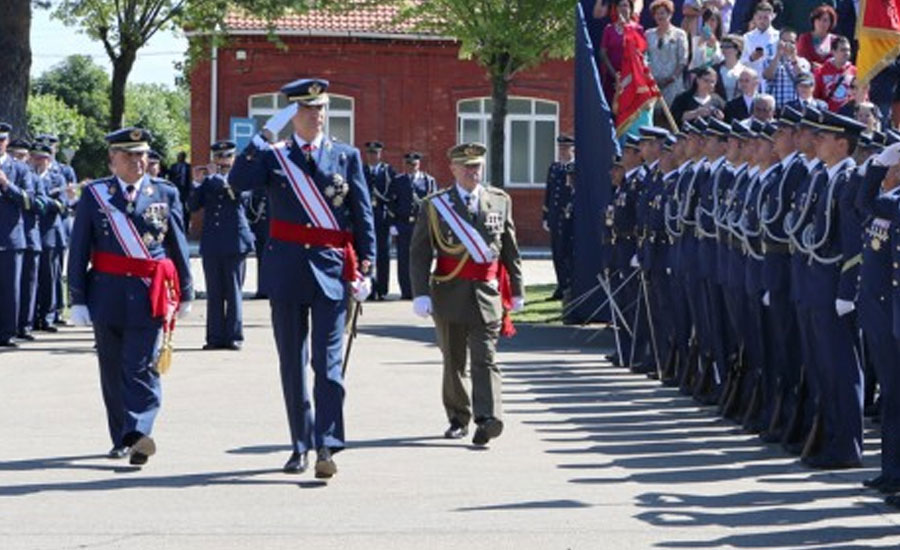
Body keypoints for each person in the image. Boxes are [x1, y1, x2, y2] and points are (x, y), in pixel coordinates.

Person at [229, 78, 375, 477]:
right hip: (287, 271)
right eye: (308, 109)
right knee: (292, 365)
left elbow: (361, 215)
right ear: (293, 114)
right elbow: (237, 182)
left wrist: (367, 264)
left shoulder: (346, 157)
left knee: (328, 366)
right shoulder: (274, 156)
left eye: (321, 108)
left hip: (330, 270)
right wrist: (262, 135)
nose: (317, 115)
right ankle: (299, 445)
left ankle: (327, 444)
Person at [67, 127, 193, 465]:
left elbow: (177, 244)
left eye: (142, 154)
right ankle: (121, 437)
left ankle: (139, 432)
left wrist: (185, 291)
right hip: (106, 292)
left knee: (141, 366)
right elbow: (79, 247)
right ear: (113, 160)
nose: (138, 161)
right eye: (129, 155)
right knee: (111, 368)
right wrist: (77, 297)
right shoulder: (96, 195)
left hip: (149, 293)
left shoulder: (163, 193)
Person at [409, 142, 524, 446]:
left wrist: (518, 289)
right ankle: (459, 417)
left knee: (485, 358)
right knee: (454, 361)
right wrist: (420, 293)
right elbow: (419, 253)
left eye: (477, 166)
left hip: (487, 294)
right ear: (454, 169)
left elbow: (511, 250)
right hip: (448, 291)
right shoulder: (434, 205)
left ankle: (488, 418)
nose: (474, 172)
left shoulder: (499, 201)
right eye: (467, 166)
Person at [189, 140, 254, 351]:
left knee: (233, 291)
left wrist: (216, 177)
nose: (222, 161)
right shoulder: (209, 181)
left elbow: (237, 197)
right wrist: (198, 183)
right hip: (213, 242)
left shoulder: (241, 176)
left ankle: (234, 336)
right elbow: (192, 205)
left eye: (226, 157)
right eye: (218, 157)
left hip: (235, 241)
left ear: (233, 158)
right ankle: (215, 336)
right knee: (214, 292)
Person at [0, 123, 31, 348]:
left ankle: (7, 332)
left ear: (6, 142)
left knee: (10, 288)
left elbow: (29, 200)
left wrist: (6, 185)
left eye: (1, 140)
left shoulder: (19, 169)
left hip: (10, 237)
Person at [390, 152, 436, 300]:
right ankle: (406, 291)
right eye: (409, 164)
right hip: (403, 225)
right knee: (403, 260)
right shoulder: (398, 181)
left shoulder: (428, 181)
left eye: (414, 164)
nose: (412, 167)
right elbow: (391, 203)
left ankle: (421, 290)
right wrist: (393, 224)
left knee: (422, 258)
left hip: (421, 225)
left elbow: (434, 205)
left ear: (419, 164)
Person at [34, 142, 68, 334]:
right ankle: (32, 315)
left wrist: (40, 199)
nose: (39, 161)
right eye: (36, 157)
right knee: (32, 278)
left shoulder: (57, 179)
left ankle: (47, 316)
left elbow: (61, 206)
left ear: (49, 160)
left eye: (42, 158)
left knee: (49, 276)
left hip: (50, 233)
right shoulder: (28, 177)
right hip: (32, 233)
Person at [10, 140, 41, 342]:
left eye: (22, 155)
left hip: (20, 234)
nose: (19, 159)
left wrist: (7, 185)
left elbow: (34, 201)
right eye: (15, 154)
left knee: (19, 286)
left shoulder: (25, 174)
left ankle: (18, 327)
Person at [543, 136, 577, 301]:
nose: (562, 151)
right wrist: (546, 215)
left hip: (569, 217)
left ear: (573, 149)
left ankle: (569, 285)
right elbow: (549, 192)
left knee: (567, 252)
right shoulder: (554, 167)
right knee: (557, 252)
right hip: (555, 216)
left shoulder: (575, 167)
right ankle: (561, 284)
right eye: (560, 148)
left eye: (565, 148)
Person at [362, 141, 395, 301]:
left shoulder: (388, 171)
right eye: (370, 153)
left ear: (380, 154)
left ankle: (381, 289)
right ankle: (367, 288)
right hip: (365, 217)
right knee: (366, 253)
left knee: (383, 254)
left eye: (375, 153)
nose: (372, 156)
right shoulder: (361, 169)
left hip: (382, 217)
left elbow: (393, 194)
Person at [600, 0, 645, 110]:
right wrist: (615, 74)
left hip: (630, 77)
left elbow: (641, 52)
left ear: (630, 9)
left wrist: (628, 76)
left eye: (626, 5)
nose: (623, 8)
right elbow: (602, 52)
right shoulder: (609, 29)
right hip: (612, 76)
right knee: (612, 106)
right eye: (620, 6)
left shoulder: (638, 29)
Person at [646, 0, 689, 106]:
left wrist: (672, 78)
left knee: (672, 116)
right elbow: (645, 58)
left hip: (673, 84)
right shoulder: (648, 34)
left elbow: (683, 59)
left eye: (662, 13)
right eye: (656, 13)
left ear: (670, 14)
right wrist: (651, 79)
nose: (659, 16)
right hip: (653, 84)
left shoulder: (680, 34)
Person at [762, 27, 811, 108]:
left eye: (791, 42)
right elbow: (767, 76)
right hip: (775, 108)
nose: (788, 45)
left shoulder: (803, 62)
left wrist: (793, 58)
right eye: (785, 41)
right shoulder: (769, 60)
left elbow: (803, 79)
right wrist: (778, 54)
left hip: (795, 108)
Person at [813, 35, 856, 112]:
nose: (847, 53)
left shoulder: (855, 71)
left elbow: (863, 97)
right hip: (828, 116)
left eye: (848, 50)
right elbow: (815, 97)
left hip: (849, 117)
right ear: (833, 51)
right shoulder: (821, 71)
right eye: (843, 50)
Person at [740, 2, 779, 79]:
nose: (762, 21)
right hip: (754, 78)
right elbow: (741, 61)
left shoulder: (778, 36)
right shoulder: (747, 37)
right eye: (759, 17)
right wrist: (751, 58)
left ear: (772, 17)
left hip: (773, 79)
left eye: (765, 18)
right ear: (754, 17)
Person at [247, 186, 269, 300]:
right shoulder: (258, 189)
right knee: (261, 260)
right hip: (260, 229)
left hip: (274, 230)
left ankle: (271, 289)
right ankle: (262, 290)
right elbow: (250, 210)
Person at [689, 7, 725, 71]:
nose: (709, 23)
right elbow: (695, 61)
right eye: (706, 20)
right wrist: (700, 43)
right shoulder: (696, 40)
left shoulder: (722, 42)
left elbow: (719, 60)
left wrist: (713, 45)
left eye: (712, 20)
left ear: (718, 22)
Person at [715, 34, 748, 100]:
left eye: (727, 47)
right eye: (722, 47)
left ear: (737, 50)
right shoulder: (715, 70)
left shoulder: (745, 70)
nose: (724, 49)